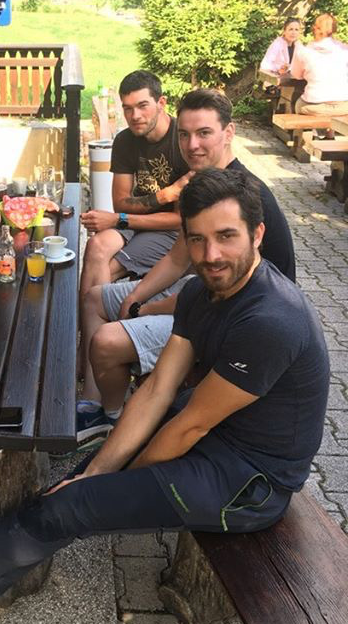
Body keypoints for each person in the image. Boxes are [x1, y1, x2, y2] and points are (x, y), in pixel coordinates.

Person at [0, 168, 329, 624]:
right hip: (211, 437)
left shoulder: (271, 320)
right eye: (197, 239)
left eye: (226, 237)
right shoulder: (202, 291)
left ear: (257, 234)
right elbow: (158, 389)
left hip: (249, 483)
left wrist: (114, 481)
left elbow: (189, 427)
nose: (211, 254)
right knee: (73, 486)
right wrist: (97, 472)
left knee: (73, 503)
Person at [77, 89, 296, 447]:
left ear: (229, 133)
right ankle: (93, 399)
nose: (192, 145)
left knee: (108, 341)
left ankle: (112, 420)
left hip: (239, 318)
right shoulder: (206, 183)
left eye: (204, 133)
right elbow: (178, 260)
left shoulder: (242, 193)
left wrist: (143, 309)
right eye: (184, 134)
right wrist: (136, 295)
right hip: (206, 296)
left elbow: (215, 295)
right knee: (95, 298)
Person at [79, 70, 190, 299]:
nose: (135, 116)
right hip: (134, 221)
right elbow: (121, 203)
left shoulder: (182, 141)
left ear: (161, 103)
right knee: (96, 246)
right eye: (127, 108)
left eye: (142, 106)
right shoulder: (124, 140)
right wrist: (165, 195)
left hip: (170, 231)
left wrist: (119, 219)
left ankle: (95, 318)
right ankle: (87, 318)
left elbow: (180, 220)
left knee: (108, 270)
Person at [290, 13, 348, 118]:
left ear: (314, 28)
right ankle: (330, 131)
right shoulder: (344, 49)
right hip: (344, 106)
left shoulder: (304, 51)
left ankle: (305, 128)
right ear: (334, 29)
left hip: (315, 106)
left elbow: (296, 75)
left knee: (297, 102)